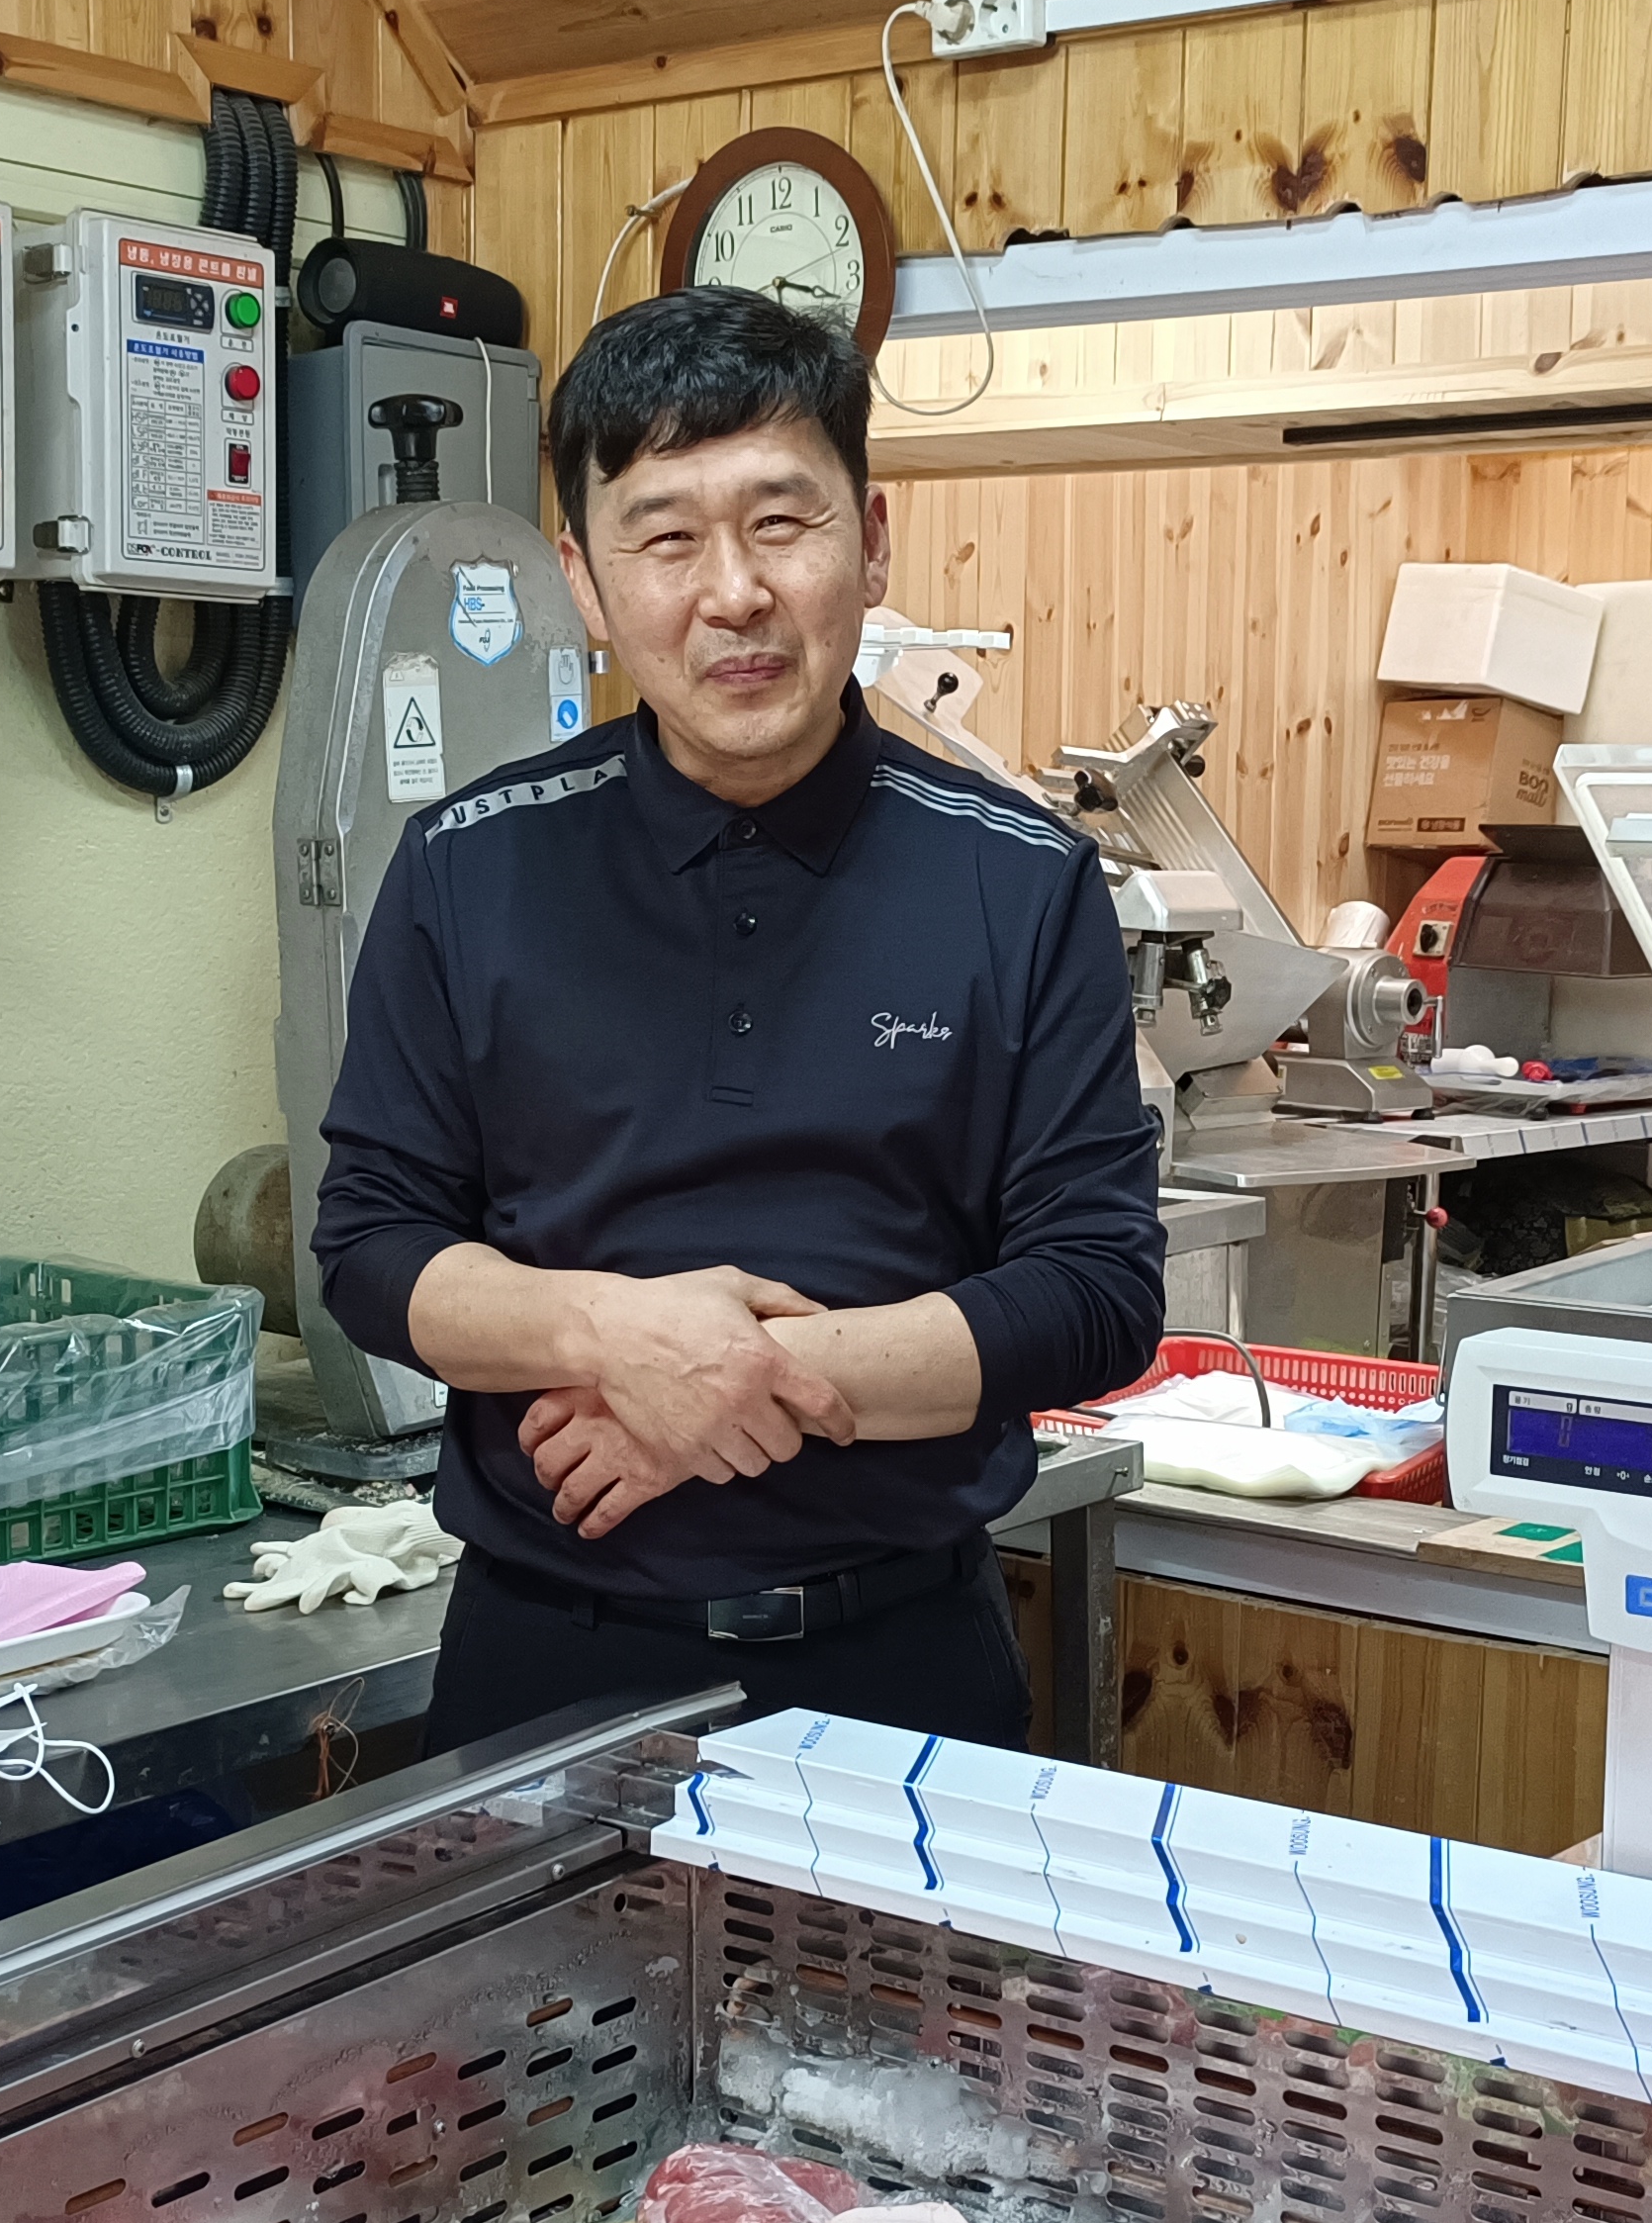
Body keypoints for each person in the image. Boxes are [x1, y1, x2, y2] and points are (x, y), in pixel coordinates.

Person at [309, 285, 1164, 1752]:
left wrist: (744, 1382)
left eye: (782, 522)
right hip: (545, 1664)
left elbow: (1095, 1292)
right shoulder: (468, 866)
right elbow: (373, 1248)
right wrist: (614, 1333)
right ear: (584, 578)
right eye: (665, 535)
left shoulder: (1022, 882)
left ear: (872, 541)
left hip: (905, 1668)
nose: (734, 592)